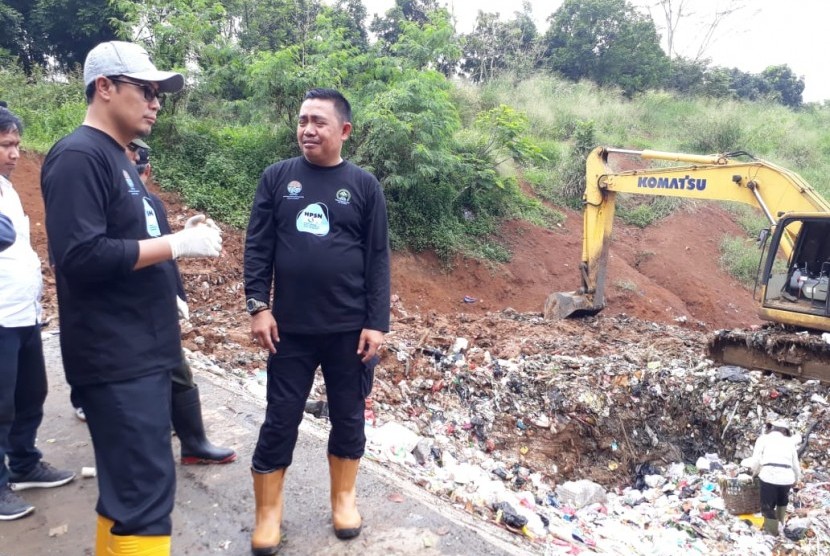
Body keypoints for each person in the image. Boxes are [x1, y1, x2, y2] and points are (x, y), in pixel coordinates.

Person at [40, 41, 222, 555]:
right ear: (104, 88)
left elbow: (128, 238)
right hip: (115, 357)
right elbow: (80, 257)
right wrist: (177, 245)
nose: (156, 102)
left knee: (130, 492)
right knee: (144, 497)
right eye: (145, 89)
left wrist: (173, 248)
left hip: (142, 352)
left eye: (158, 92)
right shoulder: (79, 156)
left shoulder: (119, 160)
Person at [244, 88, 390, 554]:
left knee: (348, 417)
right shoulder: (276, 178)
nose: (307, 128)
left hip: (349, 332)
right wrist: (257, 305)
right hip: (289, 330)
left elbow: (377, 259)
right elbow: (258, 247)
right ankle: (268, 513)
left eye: (319, 121)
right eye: (303, 119)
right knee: (280, 418)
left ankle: (343, 499)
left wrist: (376, 322)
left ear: (344, 130)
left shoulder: (364, 187)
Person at [0, 106, 75, 522]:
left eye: (16, 145)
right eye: (6, 145)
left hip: (22, 313)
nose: (15, 153)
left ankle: (25, 463)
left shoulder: (8, 189)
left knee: (31, 393)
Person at [752, 419, 802, 535]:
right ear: (784, 431)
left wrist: (754, 474)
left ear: (771, 428)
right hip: (787, 478)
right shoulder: (789, 442)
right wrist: (796, 479)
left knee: (767, 506)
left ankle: (772, 532)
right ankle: (781, 523)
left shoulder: (763, 439)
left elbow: (756, 460)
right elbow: (795, 464)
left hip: (769, 475)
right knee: (782, 501)